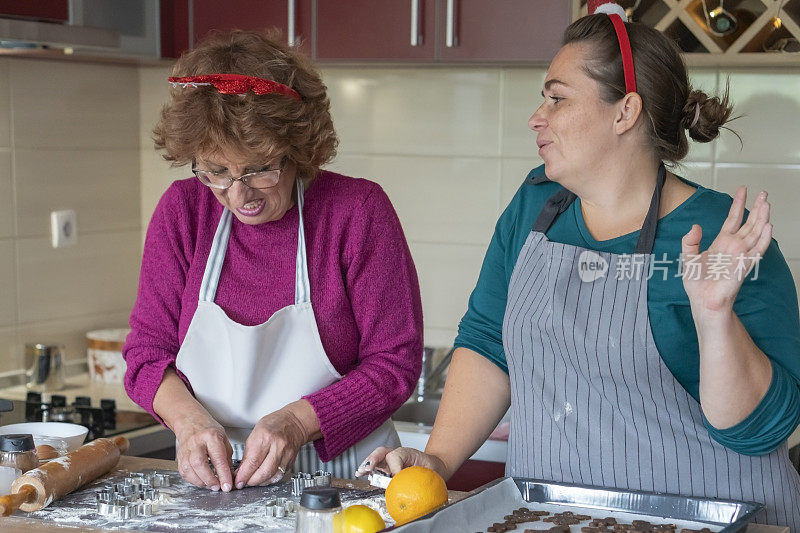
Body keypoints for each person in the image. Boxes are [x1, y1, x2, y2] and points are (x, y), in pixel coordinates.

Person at [359, 1, 800, 527]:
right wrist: (437, 461)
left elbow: (762, 430)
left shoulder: (722, 237)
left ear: (624, 112)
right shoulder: (535, 207)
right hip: (552, 518)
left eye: (557, 99)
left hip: (711, 519)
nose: (536, 118)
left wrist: (715, 317)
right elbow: (488, 341)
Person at [123, 30, 423, 493]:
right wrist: (188, 423)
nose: (238, 195)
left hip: (346, 479)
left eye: (259, 168)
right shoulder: (184, 211)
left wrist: (297, 423)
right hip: (216, 481)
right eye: (216, 172)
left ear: (299, 150)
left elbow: (394, 363)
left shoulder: (357, 210)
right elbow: (146, 355)